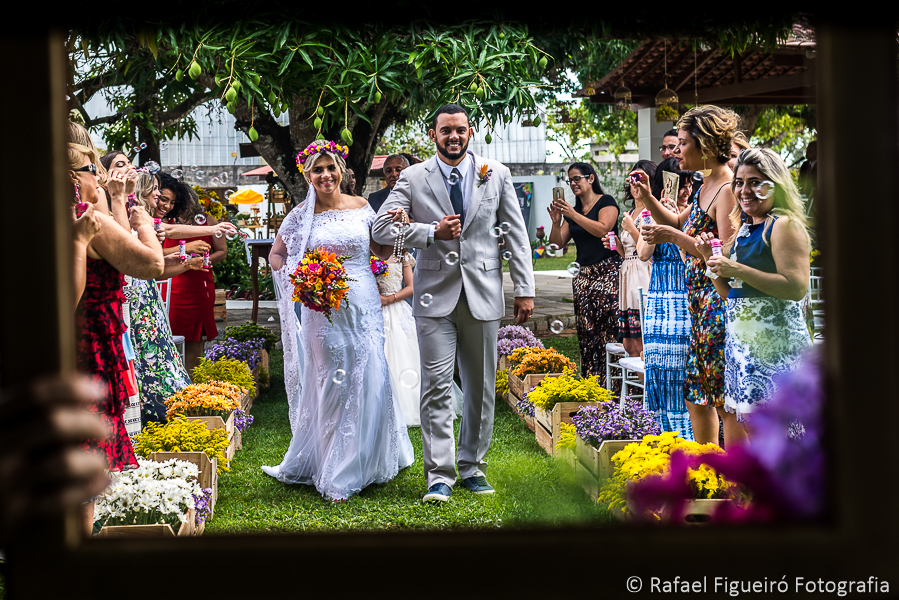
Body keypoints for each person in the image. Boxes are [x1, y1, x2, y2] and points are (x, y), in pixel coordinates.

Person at [372, 104, 535, 503]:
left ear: (470, 131)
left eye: (460, 130)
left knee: (480, 388)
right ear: (433, 134)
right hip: (433, 298)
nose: (454, 137)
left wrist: (524, 287)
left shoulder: (496, 173)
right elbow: (380, 227)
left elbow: (515, 232)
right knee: (436, 388)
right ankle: (439, 477)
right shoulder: (412, 177)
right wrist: (430, 231)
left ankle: (473, 468)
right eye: (445, 130)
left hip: (482, 293)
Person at [264, 139, 414, 501]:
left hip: (363, 302)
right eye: (318, 169)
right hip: (322, 308)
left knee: (369, 373)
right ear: (308, 174)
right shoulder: (299, 215)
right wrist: (302, 281)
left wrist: (397, 232)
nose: (326, 174)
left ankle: (370, 458)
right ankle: (335, 466)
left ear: (342, 171)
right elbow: (277, 256)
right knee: (331, 380)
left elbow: (379, 251)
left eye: (331, 167)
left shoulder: (362, 206)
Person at [69, 134, 164, 528]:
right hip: (89, 351)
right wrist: (144, 224)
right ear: (76, 177)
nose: (103, 176)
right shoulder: (87, 221)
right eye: (96, 168)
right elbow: (150, 265)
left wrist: (119, 204)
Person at [637, 105, 744, 447]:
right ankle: (707, 470)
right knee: (697, 394)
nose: (676, 151)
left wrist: (675, 240)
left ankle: (738, 481)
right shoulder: (704, 184)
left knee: (724, 399)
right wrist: (648, 199)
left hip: (719, 304)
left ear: (706, 145)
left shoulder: (727, 189)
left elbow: (725, 255)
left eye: (682, 143)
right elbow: (677, 223)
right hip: (698, 304)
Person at [695, 148, 812, 425]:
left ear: (776, 184)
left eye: (755, 182)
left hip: (776, 351)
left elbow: (795, 287)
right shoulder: (746, 229)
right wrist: (708, 261)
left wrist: (737, 269)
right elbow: (730, 295)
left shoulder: (783, 225)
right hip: (744, 352)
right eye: (739, 182)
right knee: (753, 432)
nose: (744, 190)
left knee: (786, 436)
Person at [125, 172, 194, 426]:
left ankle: (171, 409)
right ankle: (156, 412)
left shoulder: (145, 219)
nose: (158, 194)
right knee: (144, 355)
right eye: (154, 189)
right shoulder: (133, 217)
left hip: (147, 297)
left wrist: (182, 264)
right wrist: (212, 229)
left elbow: (155, 266)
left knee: (157, 352)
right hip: (135, 299)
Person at [635, 158, 694, 439]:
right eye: (681, 183)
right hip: (660, 300)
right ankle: (660, 436)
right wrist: (657, 214)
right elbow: (644, 253)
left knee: (682, 368)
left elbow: (692, 254)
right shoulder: (650, 212)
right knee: (659, 366)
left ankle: (688, 437)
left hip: (687, 298)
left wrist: (677, 224)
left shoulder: (696, 213)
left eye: (689, 183)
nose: (686, 189)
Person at [547, 162, 621, 385]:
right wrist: (557, 221)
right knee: (587, 332)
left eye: (577, 178)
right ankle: (592, 382)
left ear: (590, 178)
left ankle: (616, 383)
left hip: (608, 273)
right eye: (570, 180)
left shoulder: (606, 202)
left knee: (610, 329)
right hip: (583, 278)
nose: (572, 183)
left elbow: (603, 229)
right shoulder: (573, 213)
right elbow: (557, 243)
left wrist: (572, 214)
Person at [157, 173, 227, 375]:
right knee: (170, 332)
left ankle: (193, 380)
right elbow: (155, 253)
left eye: (175, 201)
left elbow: (221, 251)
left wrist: (204, 262)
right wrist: (186, 251)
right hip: (172, 281)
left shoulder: (208, 221)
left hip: (199, 284)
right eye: (168, 200)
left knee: (196, 335)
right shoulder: (165, 223)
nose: (171, 206)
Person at [608, 159, 656, 361]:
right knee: (628, 343)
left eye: (640, 179)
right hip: (628, 274)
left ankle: (647, 391)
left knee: (640, 342)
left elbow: (647, 251)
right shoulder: (630, 213)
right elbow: (630, 252)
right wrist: (618, 245)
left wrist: (631, 229)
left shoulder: (652, 213)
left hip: (643, 275)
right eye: (632, 179)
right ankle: (637, 391)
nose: (635, 184)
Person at [376, 249, 421, 426]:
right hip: (373, 308)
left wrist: (389, 299)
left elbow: (411, 287)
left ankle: (406, 407)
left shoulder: (403, 255)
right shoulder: (368, 254)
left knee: (404, 353)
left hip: (396, 309)